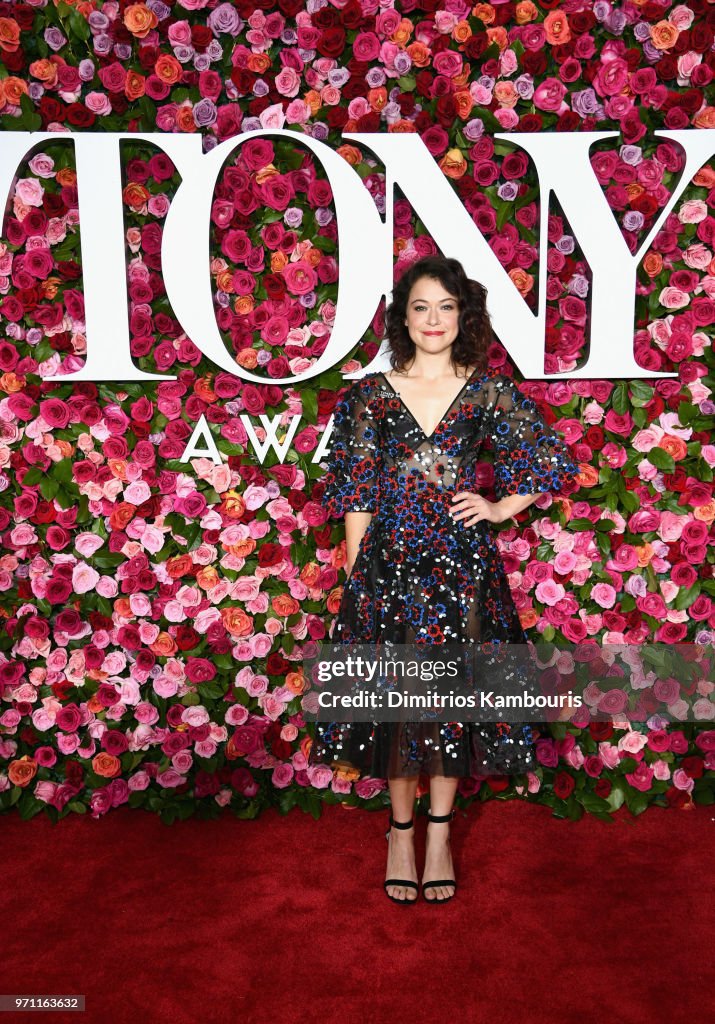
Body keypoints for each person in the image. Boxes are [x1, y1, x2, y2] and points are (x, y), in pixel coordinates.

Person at [307, 255, 580, 904]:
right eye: (420, 307)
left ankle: (437, 837)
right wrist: (356, 578)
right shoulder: (369, 396)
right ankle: (400, 833)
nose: (433, 320)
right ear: (403, 317)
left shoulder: (484, 391)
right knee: (399, 709)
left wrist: (496, 506)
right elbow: (354, 491)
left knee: (451, 707)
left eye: (446, 307)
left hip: (460, 570)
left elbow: (547, 458)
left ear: (464, 316)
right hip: (388, 571)